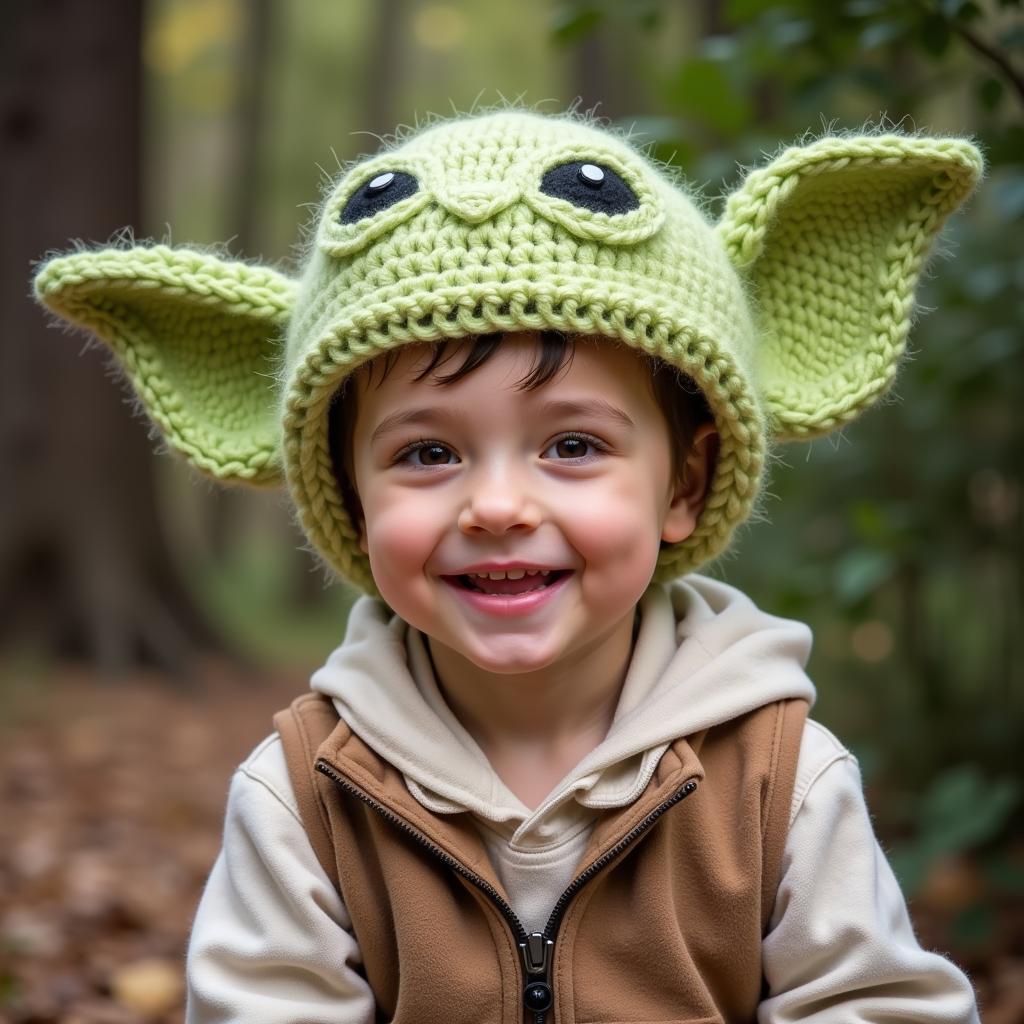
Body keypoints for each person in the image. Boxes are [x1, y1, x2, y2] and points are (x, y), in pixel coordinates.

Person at [33, 107, 984, 1023]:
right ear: (351, 500)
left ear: (684, 486)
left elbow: (875, 1004)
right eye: (427, 454)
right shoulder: (304, 797)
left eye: (571, 445)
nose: (496, 507)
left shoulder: (781, 780)